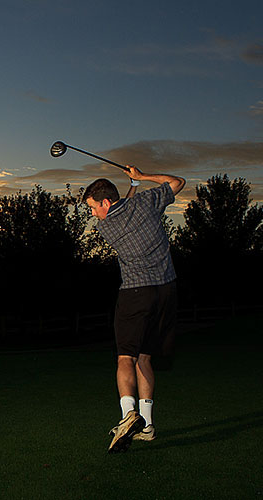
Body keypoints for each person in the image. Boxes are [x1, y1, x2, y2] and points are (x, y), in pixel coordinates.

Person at [83, 166, 185, 453]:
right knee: (144, 358)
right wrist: (141, 178)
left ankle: (129, 415)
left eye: (92, 208)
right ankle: (148, 426)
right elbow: (178, 181)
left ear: (105, 203)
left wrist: (133, 185)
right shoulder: (146, 203)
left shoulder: (106, 227)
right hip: (166, 291)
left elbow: (120, 210)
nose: (93, 214)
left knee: (125, 358)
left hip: (135, 293)